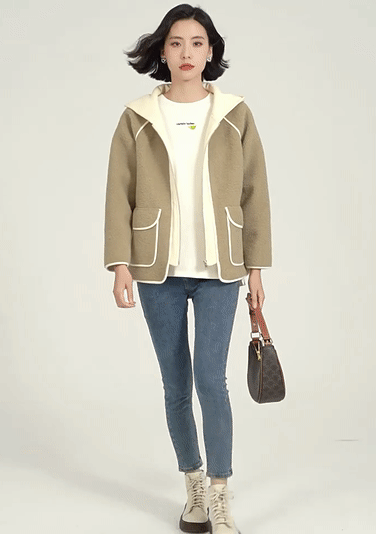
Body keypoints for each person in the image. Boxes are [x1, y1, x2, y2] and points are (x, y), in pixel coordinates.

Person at [103, 4, 272, 533]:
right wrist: (120, 263)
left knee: (210, 381)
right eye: (176, 43)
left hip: (221, 270)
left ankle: (220, 491)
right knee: (175, 384)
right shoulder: (137, 116)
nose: (186, 53)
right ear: (162, 50)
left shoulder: (235, 113)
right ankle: (193, 485)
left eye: (197, 43)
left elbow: (255, 193)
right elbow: (119, 193)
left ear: (211, 51)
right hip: (157, 271)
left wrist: (256, 270)